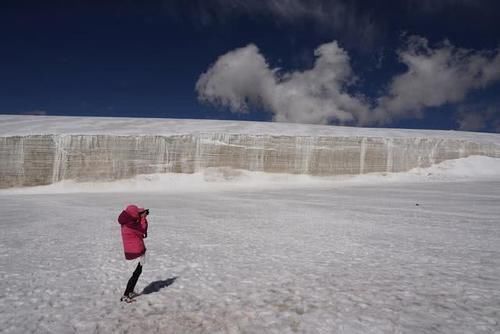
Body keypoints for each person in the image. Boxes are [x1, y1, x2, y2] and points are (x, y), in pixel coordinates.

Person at [118, 204, 149, 302]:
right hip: (135, 252)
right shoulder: (130, 225)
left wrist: (140, 216)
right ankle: (126, 295)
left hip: (133, 251)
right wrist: (143, 218)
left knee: (137, 273)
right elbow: (142, 229)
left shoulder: (127, 222)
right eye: (138, 213)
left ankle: (130, 292)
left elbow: (139, 228)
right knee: (135, 274)